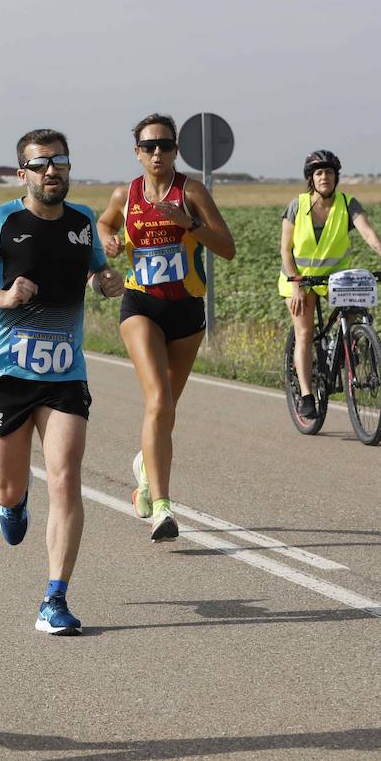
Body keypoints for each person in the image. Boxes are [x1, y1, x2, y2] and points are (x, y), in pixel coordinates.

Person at [0, 128, 124, 636]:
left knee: (65, 478)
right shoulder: (0, 222)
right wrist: (1, 298)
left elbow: (93, 270)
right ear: (23, 173)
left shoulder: (84, 221)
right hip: (6, 373)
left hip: (64, 373)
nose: (52, 171)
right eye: (41, 164)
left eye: (60, 162)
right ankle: (14, 501)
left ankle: (55, 598)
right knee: (7, 486)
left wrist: (103, 282)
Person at [96, 113, 235, 542]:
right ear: (137, 152)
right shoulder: (127, 194)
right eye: (149, 146)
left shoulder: (191, 191)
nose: (158, 152)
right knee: (157, 400)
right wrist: (109, 241)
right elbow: (103, 223)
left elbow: (227, 248)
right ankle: (163, 508)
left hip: (188, 311)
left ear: (176, 150)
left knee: (166, 410)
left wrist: (187, 222)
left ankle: (143, 469)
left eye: (166, 145)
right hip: (141, 305)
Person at [280, 150, 381, 418]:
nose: (325, 177)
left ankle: (348, 349)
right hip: (299, 277)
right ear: (311, 179)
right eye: (319, 173)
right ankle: (306, 395)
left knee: (355, 314)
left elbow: (368, 232)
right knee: (304, 333)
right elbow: (285, 251)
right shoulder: (297, 206)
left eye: (329, 173)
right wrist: (296, 285)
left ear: (336, 177)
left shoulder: (348, 204)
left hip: (335, 278)